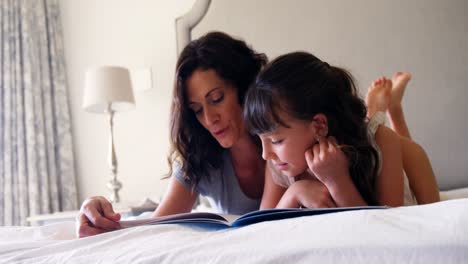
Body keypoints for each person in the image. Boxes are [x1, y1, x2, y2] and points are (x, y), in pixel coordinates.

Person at [76, 33, 333, 238]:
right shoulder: (201, 156)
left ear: (244, 88)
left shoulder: (284, 142)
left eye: (217, 99)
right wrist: (97, 209)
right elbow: (157, 224)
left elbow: (264, 227)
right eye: (197, 109)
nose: (209, 120)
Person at [243, 51, 439, 209]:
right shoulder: (279, 163)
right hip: (352, 132)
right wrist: (295, 192)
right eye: (261, 139)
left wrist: (337, 181)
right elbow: (262, 229)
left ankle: (392, 109)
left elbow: (386, 230)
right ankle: (379, 109)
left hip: (400, 174)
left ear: (319, 125)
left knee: (405, 148)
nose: (265, 154)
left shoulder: (382, 141)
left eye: (276, 141)